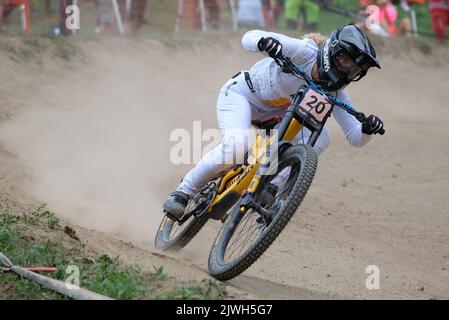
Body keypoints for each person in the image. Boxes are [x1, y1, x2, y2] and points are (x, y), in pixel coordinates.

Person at [163, 24, 385, 221]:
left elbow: (355, 137)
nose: (348, 70)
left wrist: (367, 129)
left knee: (323, 135)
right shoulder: (304, 51)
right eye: (346, 61)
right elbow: (249, 37)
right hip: (242, 95)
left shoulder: (335, 92)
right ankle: (184, 192)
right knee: (237, 145)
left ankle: (271, 186)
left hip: (274, 120)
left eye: (355, 69)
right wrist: (264, 42)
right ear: (333, 51)